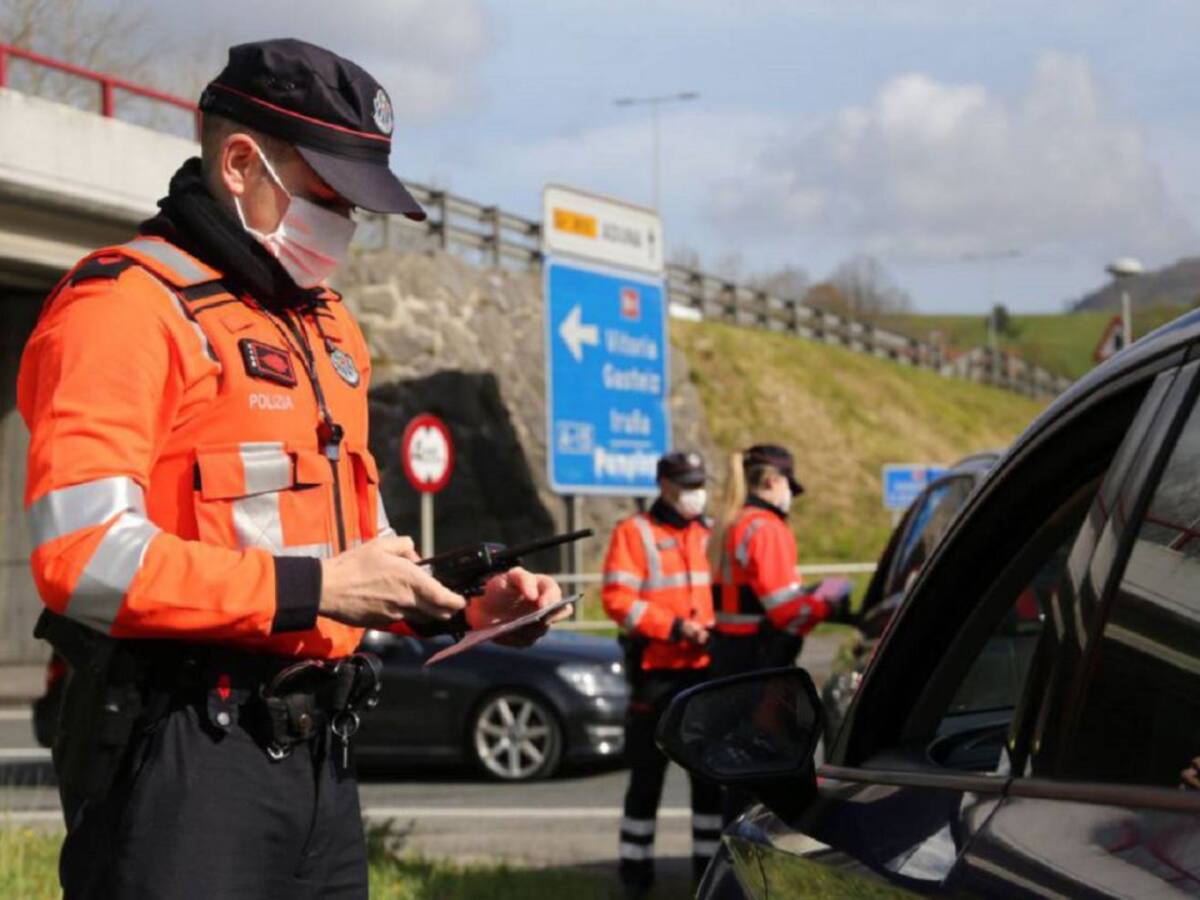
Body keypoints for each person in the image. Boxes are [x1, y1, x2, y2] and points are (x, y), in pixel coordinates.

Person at [18, 38, 570, 899]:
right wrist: (317, 588)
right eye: (330, 195)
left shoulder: (326, 328)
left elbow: (360, 549)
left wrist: (462, 606)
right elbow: (80, 558)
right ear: (241, 163)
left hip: (320, 764)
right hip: (184, 762)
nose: (346, 224)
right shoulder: (123, 310)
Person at [601, 451, 723, 896]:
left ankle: (708, 876)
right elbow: (618, 601)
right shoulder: (635, 534)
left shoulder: (710, 533)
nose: (694, 492)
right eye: (685, 483)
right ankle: (635, 877)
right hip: (656, 674)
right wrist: (673, 627)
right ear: (663, 485)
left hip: (704, 672)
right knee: (646, 780)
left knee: (709, 782)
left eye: (697, 482)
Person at [708, 444, 851, 822]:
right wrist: (827, 602)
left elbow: (748, 597)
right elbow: (786, 613)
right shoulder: (766, 528)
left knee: (743, 774)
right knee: (779, 772)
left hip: (730, 659)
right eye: (789, 485)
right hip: (765, 666)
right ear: (772, 480)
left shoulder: (729, 523)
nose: (790, 496)